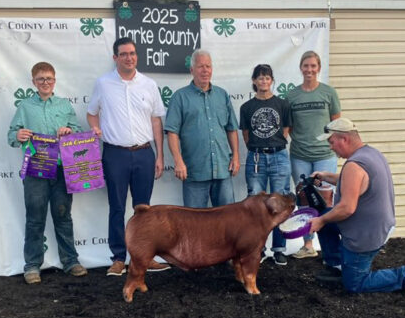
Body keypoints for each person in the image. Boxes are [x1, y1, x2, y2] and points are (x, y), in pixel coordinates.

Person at [308, 118, 405, 293]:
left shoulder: (354, 165)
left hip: (365, 235)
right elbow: (353, 183)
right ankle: (338, 267)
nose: (330, 147)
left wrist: (321, 220)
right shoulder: (370, 154)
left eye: (331, 142)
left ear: (343, 139)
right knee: (326, 221)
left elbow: (346, 208)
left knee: (355, 284)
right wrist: (325, 176)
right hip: (377, 225)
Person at [87, 37, 171, 277]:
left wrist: (159, 155)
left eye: (132, 53)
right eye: (123, 54)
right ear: (115, 58)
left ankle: (144, 257)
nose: (129, 57)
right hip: (115, 154)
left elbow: (156, 120)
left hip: (144, 153)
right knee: (116, 207)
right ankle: (117, 258)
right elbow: (92, 113)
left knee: (143, 210)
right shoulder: (103, 84)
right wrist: (95, 129)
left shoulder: (149, 84)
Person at [7, 61, 86, 284]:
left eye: (49, 78)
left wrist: (69, 130)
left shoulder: (63, 105)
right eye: (41, 79)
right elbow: (11, 135)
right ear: (33, 81)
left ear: (54, 80)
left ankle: (70, 261)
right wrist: (18, 135)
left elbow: (78, 131)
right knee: (35, 218)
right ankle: (32, 265)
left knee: (63, 215)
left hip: (61, 169)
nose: (45, 83)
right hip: (35, 170)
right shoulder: (24, 107)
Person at [165, 49, 240, 207]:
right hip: (194, 172)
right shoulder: (180, 97)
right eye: (200, 66)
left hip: (223, 170)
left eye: (208, 66)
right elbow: (172, 133)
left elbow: (231, 129)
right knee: (195, 225)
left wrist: (236, 157)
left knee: (227, 222)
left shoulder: (222, 95)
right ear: (192, 70)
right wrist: (178, 162)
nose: (205, 70)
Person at [287, 50, 341, 259]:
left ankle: (330, 249)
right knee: (304, 199)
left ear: (319, 68)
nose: (309, 70)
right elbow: (289, 126)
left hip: (325, 155)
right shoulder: (292, 96)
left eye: (313, 66)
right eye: (305, 66)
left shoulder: (328, 93)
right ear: (300, 68)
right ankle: (308, 245)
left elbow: (336, 123)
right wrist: (303, 139)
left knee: (326, 201)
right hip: (299, 155)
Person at [239, 64, 292, 265]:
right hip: (256, 158)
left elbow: (286, 129)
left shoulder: (282, 104)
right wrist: (259, 148)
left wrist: (273, 146)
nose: (263, 81)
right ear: (254, 81)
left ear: (272, 81)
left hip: (279, 155)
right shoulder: (246, 108)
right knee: (255, 205)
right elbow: (246, 134)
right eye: (260, 78)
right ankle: (256, 249)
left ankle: (279, 248)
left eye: (267, 78)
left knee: (280, 203)